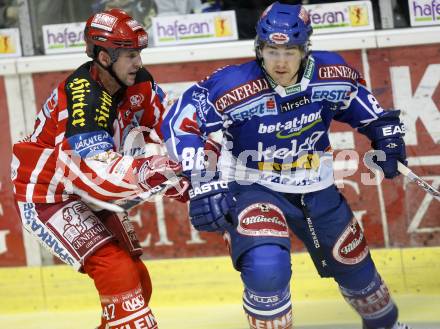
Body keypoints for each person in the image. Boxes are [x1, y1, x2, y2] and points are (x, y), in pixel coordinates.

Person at [161, 2, 410, 329]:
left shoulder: (331, 74)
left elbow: (369, 111)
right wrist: (200, 178)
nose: (280, 61)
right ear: (259, 48)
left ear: (306, 49)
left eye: (290, 51)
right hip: (253, 188)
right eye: (271, 50)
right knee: (267, 269)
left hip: (317, 189)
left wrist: (387, 136)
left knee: (357, 271)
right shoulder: (233, 85)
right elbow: (179, 120)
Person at [11, 8, 187, 329]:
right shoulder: (84, 101)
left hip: (84, 190)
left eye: (139, 54)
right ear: (104, 58)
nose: (139, 63)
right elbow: (98, 177)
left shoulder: (138, 83)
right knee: (116, 271)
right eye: (130, 56)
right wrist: (158, 172)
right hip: (49, 195)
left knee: (137, 280)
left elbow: (170, 126)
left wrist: (196, 164)